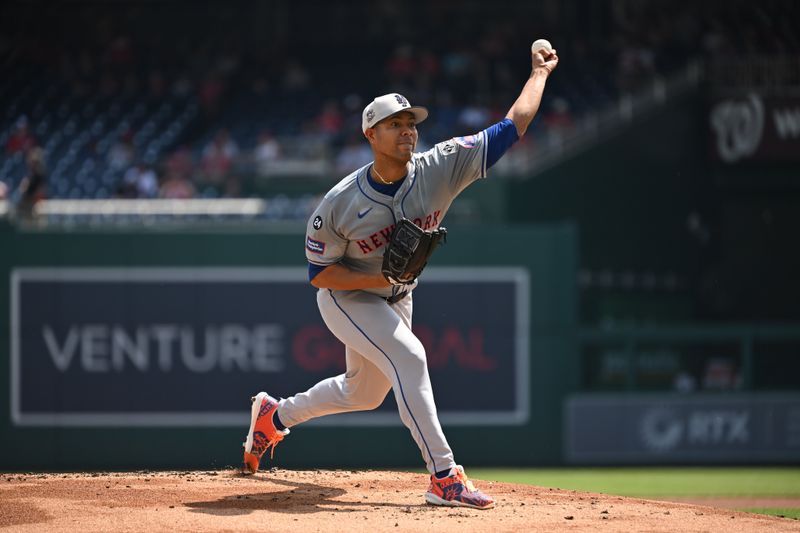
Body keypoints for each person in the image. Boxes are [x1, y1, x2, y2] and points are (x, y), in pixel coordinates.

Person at [241, 44, 559, 509]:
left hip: (398, 294)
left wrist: (539, 74)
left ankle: (274, 415)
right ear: (371, 133)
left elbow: (514, 126)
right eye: (396, 124)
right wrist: (377, 283)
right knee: (410, 357)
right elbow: (320, 275)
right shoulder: (339, 203)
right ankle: (444, 477)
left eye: (412, 123)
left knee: (364, 392)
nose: (408, 130)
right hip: (347, 297)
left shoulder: (442, 165)